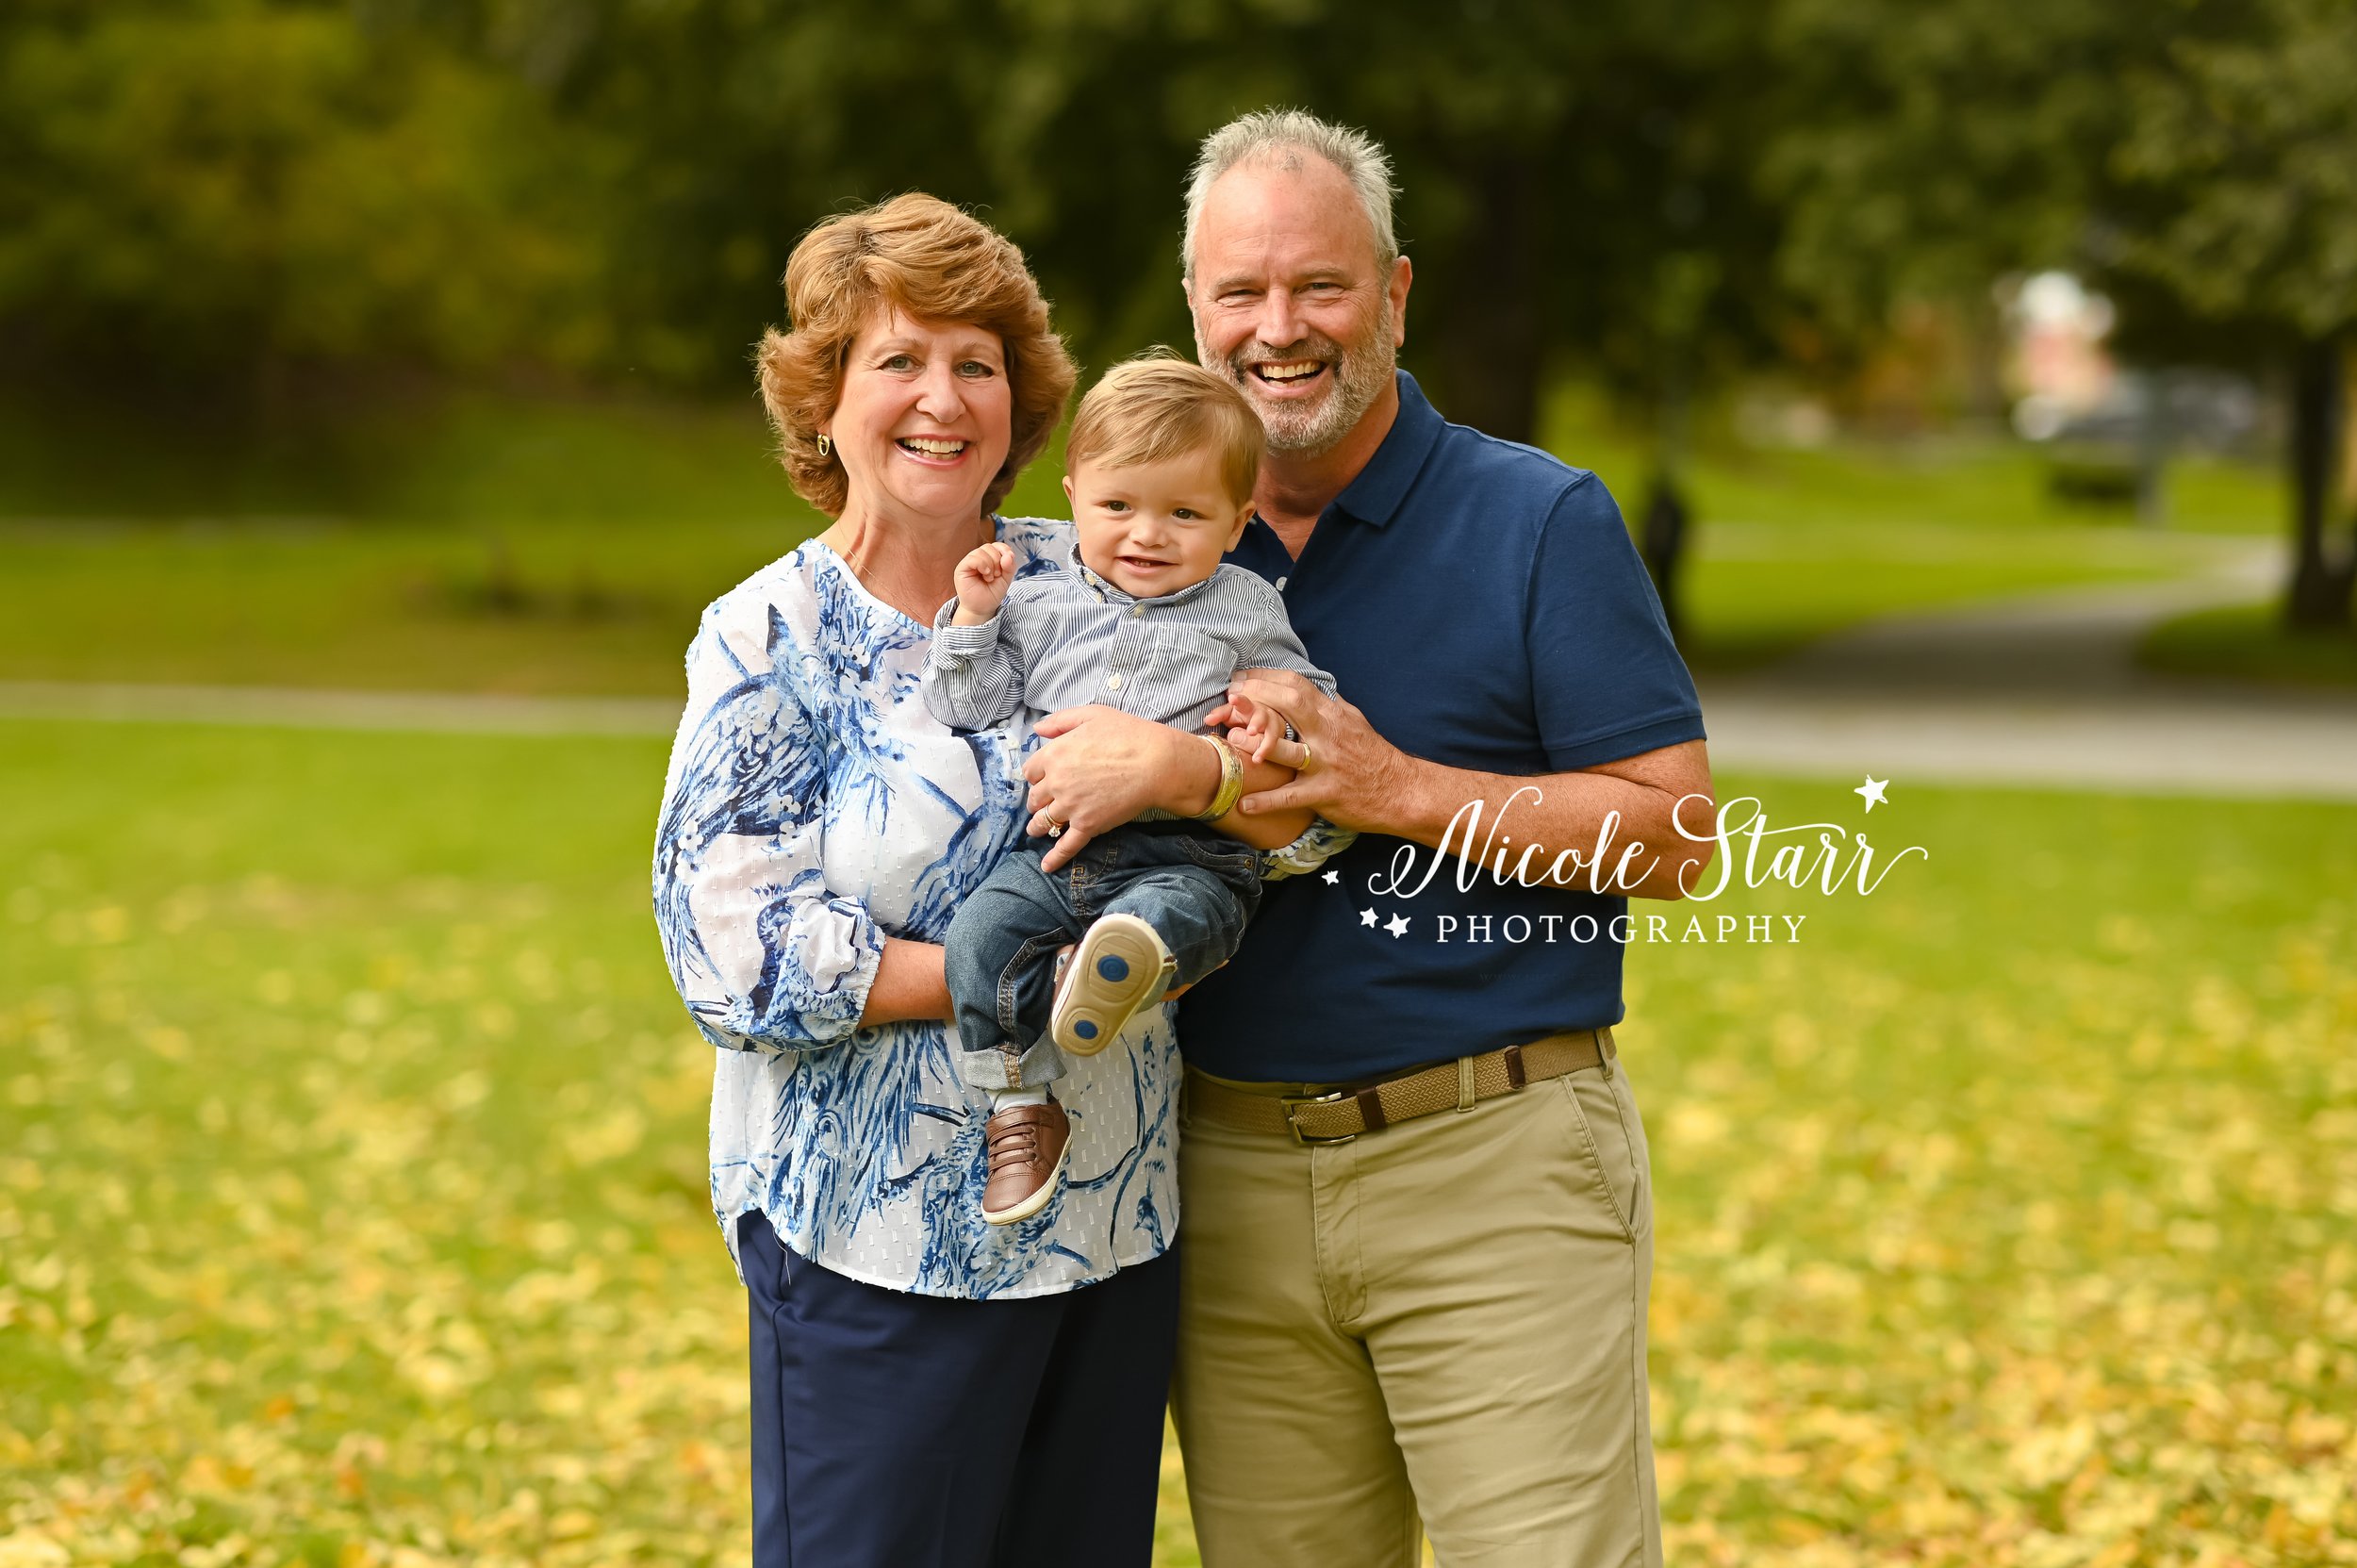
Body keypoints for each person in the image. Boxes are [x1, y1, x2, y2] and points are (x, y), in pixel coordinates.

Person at [1023, 110, 1718, 1566]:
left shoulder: (1540, 521)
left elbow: (1674, 834)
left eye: (1319, 287)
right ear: (1195, 312)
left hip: (1497, 1160)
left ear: (1394, 295)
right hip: (1222, 1171)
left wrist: (1392, 783)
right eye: (1240, 293)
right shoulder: (1134, 541)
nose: (1280, 328)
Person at [649, 192, 1322, 1568]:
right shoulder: (772, 631)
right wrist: (1015, 978)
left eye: (978, 362)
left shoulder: (1124, 561)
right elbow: (734, 952)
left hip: (1113, 1223)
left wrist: (1191, 777)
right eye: (898, 361)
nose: (944, 399)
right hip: (878, 1241)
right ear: (823, 399)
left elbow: (1308, 807)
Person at [924, 354, 1337, 1225]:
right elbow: (974, 705)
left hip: (1193, 849)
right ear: (1073, 495)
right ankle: (1020, 1106)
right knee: (980, 938)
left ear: (1237, 522)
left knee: (1190, 913)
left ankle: (1117, 964)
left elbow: (1307, 701)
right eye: (1118, 506)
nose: (1147, 534)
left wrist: (1271, 724)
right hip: (1058, 852)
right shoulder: (1035, 604)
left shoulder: (1246, 604)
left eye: (1184, 513)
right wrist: (972, 619)